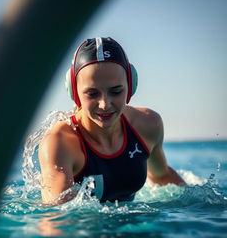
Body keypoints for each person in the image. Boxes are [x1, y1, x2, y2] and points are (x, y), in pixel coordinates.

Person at [38, 37, 186, 204]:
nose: (105, 104)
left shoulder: (147, 125)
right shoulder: (61, 143)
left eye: (115, 92)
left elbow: (162, 176)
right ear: (75, 93)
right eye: (92, 94)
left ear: (130, 86)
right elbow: (57, 218)